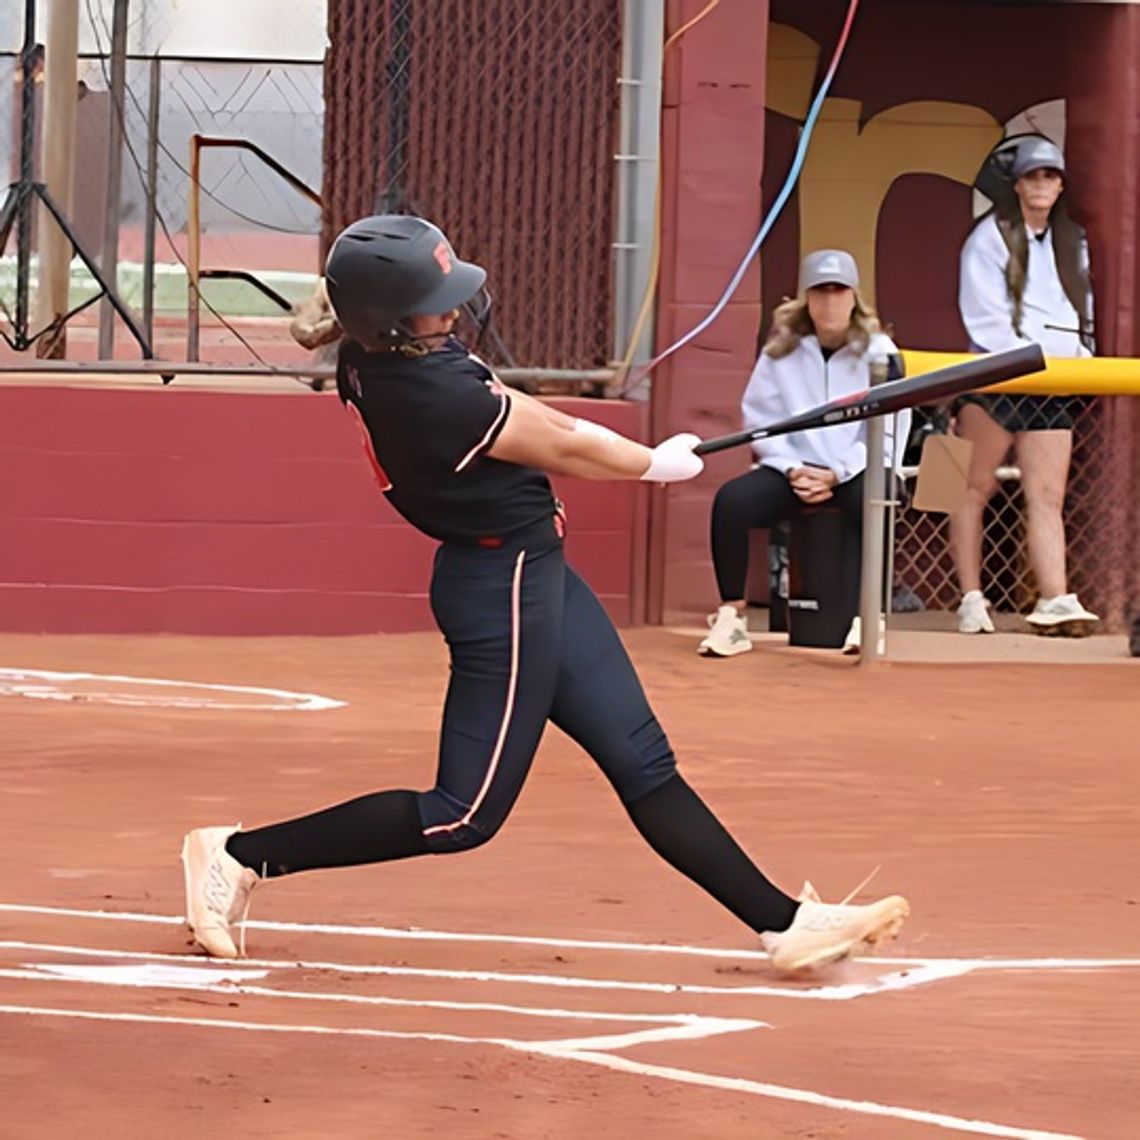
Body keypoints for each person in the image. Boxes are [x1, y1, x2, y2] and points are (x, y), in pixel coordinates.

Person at [180, 215, 909, 974]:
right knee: (461, 814)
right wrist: (652, 464)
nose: (454, 310)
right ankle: (238, 856)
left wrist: (648, 458)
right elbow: (558, 438)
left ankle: (782, 923)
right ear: (391, 322)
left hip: (535, 573)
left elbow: (543, 423)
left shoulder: (384, 356)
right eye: (434, 301)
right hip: (501, 590)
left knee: (644, 764)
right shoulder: (431, 391)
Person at [699, 250, 909, 657]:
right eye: (820, 292)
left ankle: (866, 622)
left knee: (873, 498)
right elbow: (761, 421)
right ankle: (731, 617)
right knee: (731, 502)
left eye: (838, 291)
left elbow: (891, 431)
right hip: (793, 470)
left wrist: (838, 473)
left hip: (855, 469)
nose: (830, 302)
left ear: (854, 297)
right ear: (807, 300)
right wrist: (794, 469)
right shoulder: (782, 351)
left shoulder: (881, 351)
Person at [953, 135, 1098, 637]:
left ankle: (1054, 597)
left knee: (1046, 494)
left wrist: (1080, 359)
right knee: (970, 487)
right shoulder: (987, 236)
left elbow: (1082, 312)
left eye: (1051, 177)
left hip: (1053, 381)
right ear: (1017, 185)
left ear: (1060, 187)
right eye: (1034, 177)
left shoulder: (1072, 240)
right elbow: (984, 319)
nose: (1043, 185)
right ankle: (971, 598)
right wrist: (1027, 358)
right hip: (998, 376)